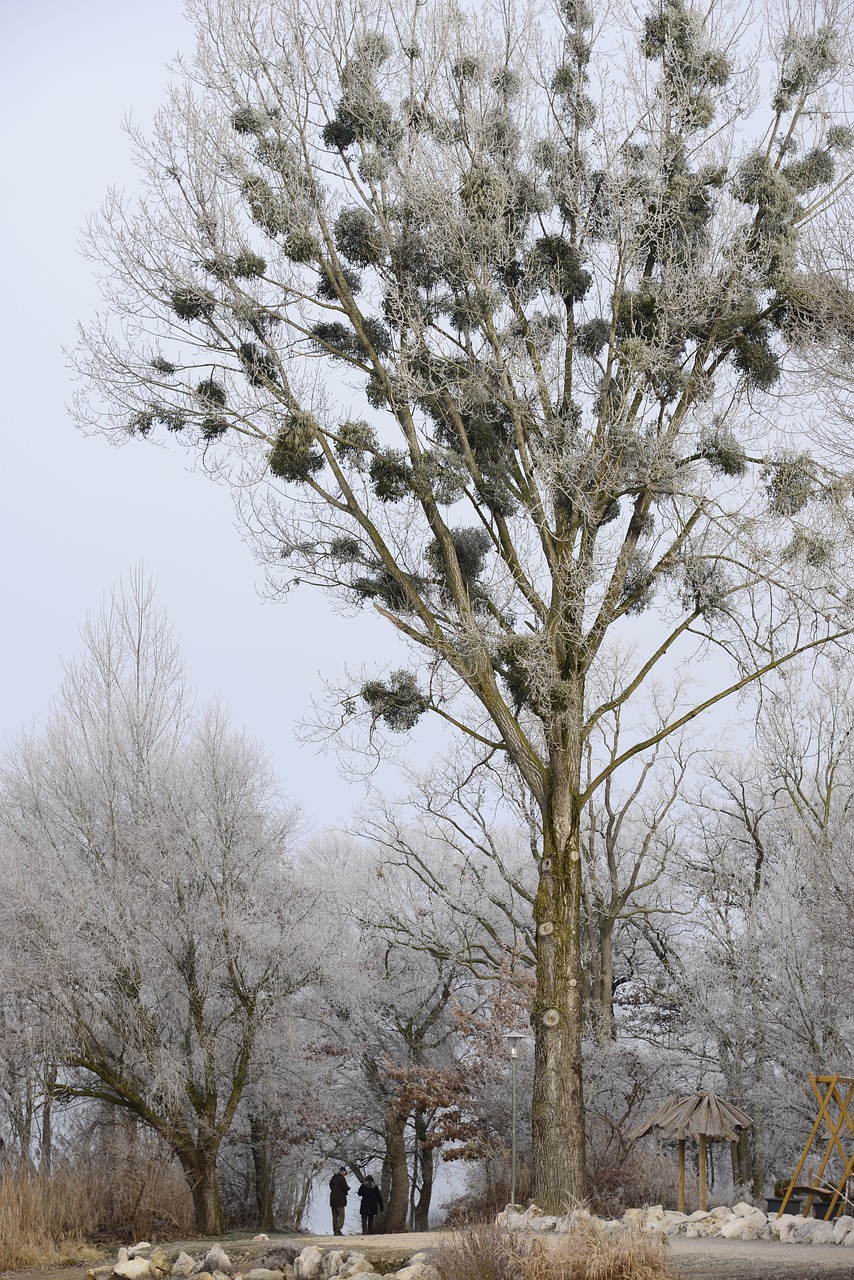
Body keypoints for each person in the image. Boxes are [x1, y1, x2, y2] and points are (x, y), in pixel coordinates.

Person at [329, 1165, 350, 1236]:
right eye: (345, 1173)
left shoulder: (333, 1179)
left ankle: (334, 1230)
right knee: (341, 1215)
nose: (345, 1174)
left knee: (334, 1215)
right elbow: (345, 1188)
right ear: (343, 1172)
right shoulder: (341, 1179)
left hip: (332, 1199)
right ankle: (338, 1229)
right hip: (340, 1200)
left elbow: (331, 1186)